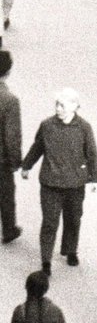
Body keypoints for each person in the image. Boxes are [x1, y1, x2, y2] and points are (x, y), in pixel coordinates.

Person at [20, 88, 97, 275]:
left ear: (74, 107)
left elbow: (92, 154)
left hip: (75, 185)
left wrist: (96, 179)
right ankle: (46, 260)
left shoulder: (84, 128)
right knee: (49, 222)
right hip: (50, 184)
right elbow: (38, 146)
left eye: (62, 105)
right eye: (57, 104)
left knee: (73, 219)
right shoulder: (47, 125)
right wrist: (27, 165)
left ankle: (70, 250)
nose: (58, 109)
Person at [0, 48, 21, 243]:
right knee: (6, 194)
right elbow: (12, 135)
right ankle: (9, 228)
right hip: (1, 160)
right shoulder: (10, 100)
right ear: (8, 71)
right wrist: (15, 160)